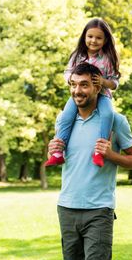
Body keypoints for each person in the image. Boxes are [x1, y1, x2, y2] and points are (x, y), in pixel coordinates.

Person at [48, 63, 132, 260]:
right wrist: (53, 149)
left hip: (99, 210)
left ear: (98, 87)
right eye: (73, 85)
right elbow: (68, 158)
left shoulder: (115, 121)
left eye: (84, 85)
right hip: (67, 208)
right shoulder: (63, 120)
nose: (77, 91)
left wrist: (110, 155)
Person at [46, 18, 120, 167]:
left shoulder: (107, 59)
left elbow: (114, 82)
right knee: (66, 115)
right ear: (84, 37)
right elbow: (67, 73)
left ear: (105, 40)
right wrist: (73, 81)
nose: (93, 40)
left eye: (99, 38)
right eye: (90, 36)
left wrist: (103, 82)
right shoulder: (77, 56)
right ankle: (58, 152)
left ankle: (99, 151)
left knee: (107, 114)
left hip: (102, 95)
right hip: (81, 95)